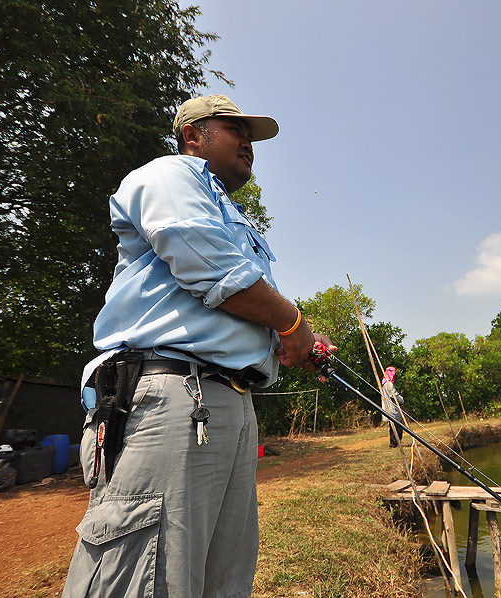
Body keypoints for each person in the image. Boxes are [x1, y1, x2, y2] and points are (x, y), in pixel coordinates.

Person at [62, 95, 335, 598]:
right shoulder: (169, 175)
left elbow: (243, 305)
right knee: (150, 576)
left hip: (231, 406)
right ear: (193, 135)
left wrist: (296, 339)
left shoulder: (228, 209)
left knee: (224, 579)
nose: (249, 143)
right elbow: (208, 265)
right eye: (236, 129)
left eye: (250, 135)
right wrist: (291, 321)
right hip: (172, 396)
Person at [380, 366, 405, 447]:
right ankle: (394, 442)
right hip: (392, 408)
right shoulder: (389, 383)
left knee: (393, 426)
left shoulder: (384, 383)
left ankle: (394, 442)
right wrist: (401, 399)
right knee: (398, 426)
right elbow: (394, 395)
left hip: (389, 407)